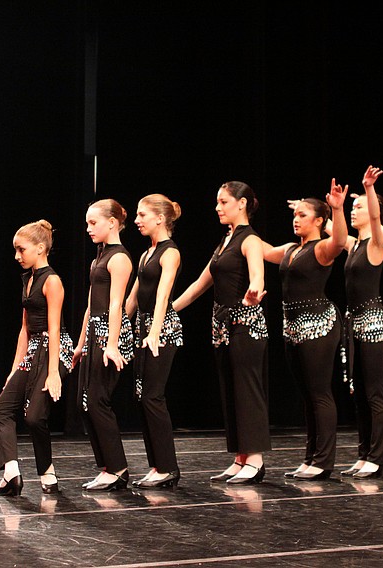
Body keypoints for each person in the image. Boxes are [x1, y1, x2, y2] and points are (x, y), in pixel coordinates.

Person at [173, 181, 270, 484]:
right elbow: (199, 285)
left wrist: (254, 291)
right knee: (230, 390)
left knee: (247, 390)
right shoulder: (225, 241)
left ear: (242, 204)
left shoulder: (250, 239)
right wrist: (169, 310)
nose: (218, 207)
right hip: (223, 328)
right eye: (218, 202)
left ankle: (255, 459)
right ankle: (240, 458)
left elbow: (257, 275)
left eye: (224, 201)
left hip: (246, 325)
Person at [263, 179, 347, 480]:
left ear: (319, 221)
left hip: (319, 327)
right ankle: (311, 457)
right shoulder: (290, 249)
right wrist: (240, 227)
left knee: (319, 393)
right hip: (294, 328)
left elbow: (340, 241)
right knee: (308, 396)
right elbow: (261, 250)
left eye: (302, 215)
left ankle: (323, 461)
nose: (296, 219)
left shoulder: (322, 248)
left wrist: (337, 209)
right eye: (294, 215)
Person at [0, 220, 74, 496]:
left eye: (21, 249)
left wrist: (53, 372)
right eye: (15, 250)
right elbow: (25, 329)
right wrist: (14, 369)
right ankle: (11, 472)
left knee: (35, 417)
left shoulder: (52, 281)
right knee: (0, 410)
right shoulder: (27, 279)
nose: (17, 256)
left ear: (40, 248)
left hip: (54, 349)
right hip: (34, 349)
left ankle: (47, 471)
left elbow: (54, 329)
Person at [72, 199, 135, 491]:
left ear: (112, 223)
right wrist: (80, 344)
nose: (88, 228)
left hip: (111, 335)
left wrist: (111, 344)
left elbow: (116, 304)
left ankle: (118, 469)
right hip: (94, 335)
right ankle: (107, 466)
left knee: (97, 401)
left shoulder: (119, 258)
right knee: (84, 403)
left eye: (93, 223)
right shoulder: (99, 257)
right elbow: (90, 305)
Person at [124, 194, 183, 489]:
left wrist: (155, 332)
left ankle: (168, 468)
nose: (137, 220)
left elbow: (163, 294)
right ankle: (157, 465)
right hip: (143, 329)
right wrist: (117, 327)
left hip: (162, 331)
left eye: (142, 214)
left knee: (152, 396)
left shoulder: (170, 253)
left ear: (160, 218)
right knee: (142, 397)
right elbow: (133, 298)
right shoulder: (146, 254)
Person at [339, 166, 383, 479]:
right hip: (354, 324)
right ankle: (363, 454)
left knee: (374, 392)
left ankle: (377, 456)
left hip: (374, 324)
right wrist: (328, 208)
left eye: (357, 207)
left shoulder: (376, 243)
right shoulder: (353, 244)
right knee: (359, 393)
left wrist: (369, 189)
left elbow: (375, 218)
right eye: (353, 207)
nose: (353, 211)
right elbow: (333, 231)